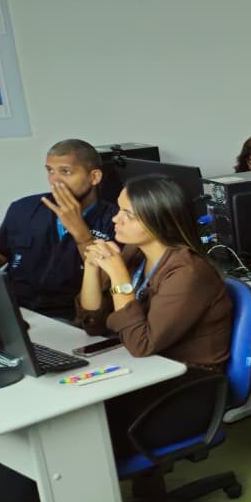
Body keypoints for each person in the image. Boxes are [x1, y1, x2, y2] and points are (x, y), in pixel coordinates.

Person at [75, 176, 233, 458]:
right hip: (144, 374)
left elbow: (141, 344)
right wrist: (91, 267)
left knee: (79, 434)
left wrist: (119, 277)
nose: (115, 219)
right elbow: (93, 323)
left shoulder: (188, 272)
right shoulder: (135, 252)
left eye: (128, 214)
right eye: (119, 209)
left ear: (158, 220)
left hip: (184, 391)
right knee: (70, 419)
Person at [0, 139, 118, 318]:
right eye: (50, 171)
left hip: (69, 317)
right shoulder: (23, 208)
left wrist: (81, 234)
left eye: (65, 171)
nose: (54, 180)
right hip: (12, 308)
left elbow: (107, 282)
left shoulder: (116, 220)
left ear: (94, 177)